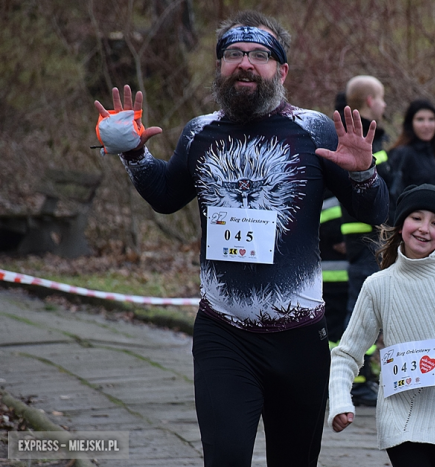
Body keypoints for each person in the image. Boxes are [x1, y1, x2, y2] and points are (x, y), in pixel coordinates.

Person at [92, 10, 388, 467]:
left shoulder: (315, 130)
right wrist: (133, 153)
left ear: (282, 70)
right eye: (233, 54)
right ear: (219, 67)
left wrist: (366, 173)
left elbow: (374, 212)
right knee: (225, 458)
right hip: (224, 335)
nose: (245, 63)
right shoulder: (200, 132)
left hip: (300, 338)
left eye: (260, 55)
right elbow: (167, 196)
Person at [328, 184, 435, 467]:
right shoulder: (378, 285)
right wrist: (339, 400)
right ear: (401, 225)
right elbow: (347, 353)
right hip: (400, 419)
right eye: (416, 218)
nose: (424, 228)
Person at [338, 74, 390, 405]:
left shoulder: (354, 138)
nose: (385, 105)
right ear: (370, 102)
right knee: (360, 313)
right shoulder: (366, 140)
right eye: (382, 99)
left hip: (368, 241)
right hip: (366, 242)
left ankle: (362, 375)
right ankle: (355, 381)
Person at [385, 99, 435, 208]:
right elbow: (394, 197)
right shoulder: (401, 154)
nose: (426, 125)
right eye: (420, 119)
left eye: (431, 119)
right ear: (410, 123)